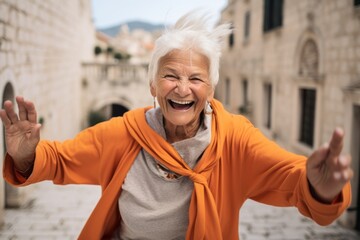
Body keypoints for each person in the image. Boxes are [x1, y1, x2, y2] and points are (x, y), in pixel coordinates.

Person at [0, 11, 353, 240]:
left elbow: (290, 179)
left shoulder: (235, 139)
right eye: (170, 76)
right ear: (153, 86)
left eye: (195, 78)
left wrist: (318, 187)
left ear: (211, 90)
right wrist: (27, 156)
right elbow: (61, 160)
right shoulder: (123, 134)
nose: (183, 88)